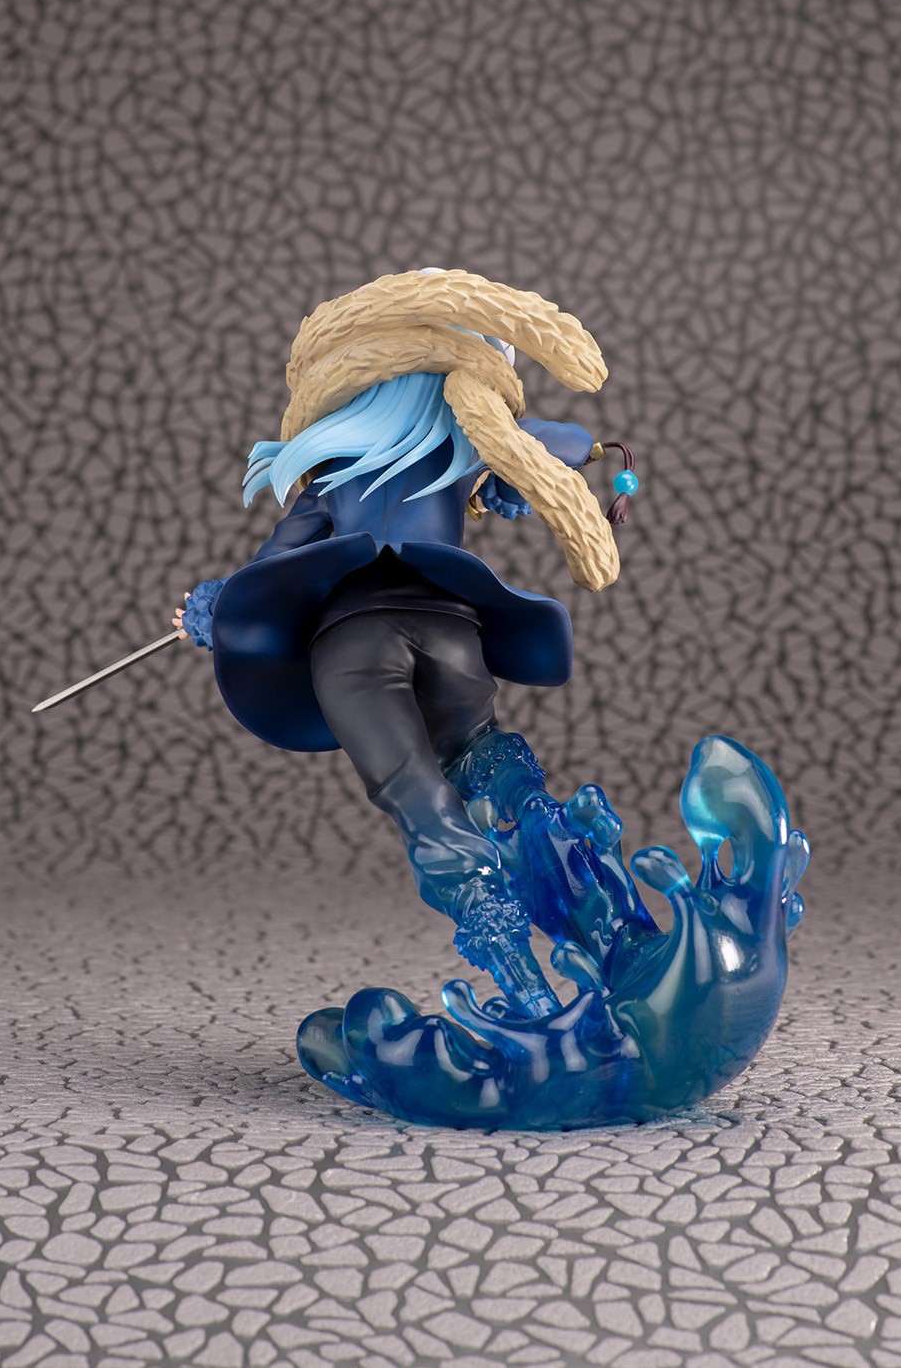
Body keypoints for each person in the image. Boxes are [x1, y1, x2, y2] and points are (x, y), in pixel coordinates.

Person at [174, 268, 624, 1018]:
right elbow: (570, 443)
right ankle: (593, 910)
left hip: (353, 650)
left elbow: (267, 571)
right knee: (484, 758)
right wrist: (520, 458)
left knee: (423, 803)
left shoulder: (328, 475)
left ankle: (535, 1001)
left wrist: (215, 610)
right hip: (452, 630)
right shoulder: (463, 442)